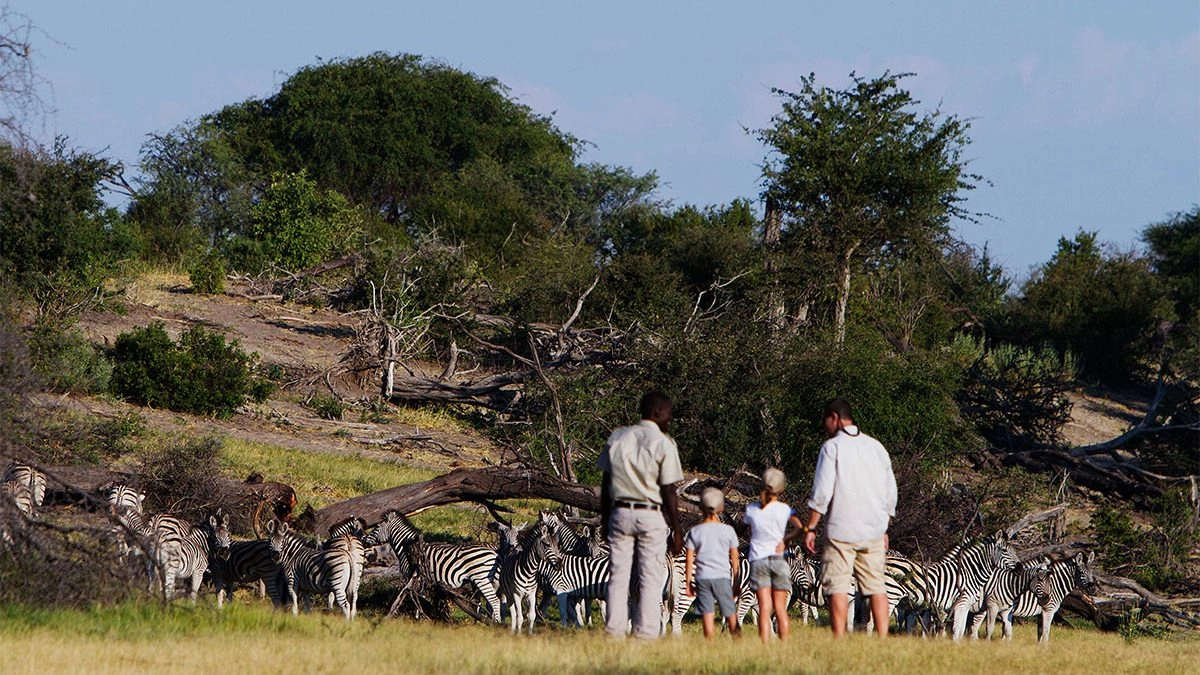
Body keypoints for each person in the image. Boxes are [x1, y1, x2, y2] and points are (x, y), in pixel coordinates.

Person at [802, 398, 897, 637]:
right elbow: (890, 493)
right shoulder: (876, 447)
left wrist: (811, 527)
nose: (824, 426)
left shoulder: (832, 447)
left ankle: (839, 638)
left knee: (838, 586)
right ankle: (883, 637)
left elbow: (822, 493)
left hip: (841, 530)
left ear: (834, 417)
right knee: (876, 586)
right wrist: (884, 528)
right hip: (873, 530)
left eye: (825, 420)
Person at [598, 390, 685, 640]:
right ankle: (646, 635)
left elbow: (606, 483)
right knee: (650, 576)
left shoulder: (618, 437)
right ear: (657, 412)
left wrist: (605, 519)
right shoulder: (664, 443)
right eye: (668, 414)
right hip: (650, 514)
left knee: (618, 575)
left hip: (620, 512)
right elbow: (668, 490)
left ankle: (614, 633)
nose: (670, 419)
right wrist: (676, 528)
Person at [743, 467, 804, 643]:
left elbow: (747, 529)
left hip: (758, 560)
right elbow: (800, 527)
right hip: (778, 559)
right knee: (780, 607)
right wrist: (786, 539)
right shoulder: (784, 509)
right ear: (781, 488)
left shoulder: (752, 509)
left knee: (764, 606)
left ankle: (764, 645)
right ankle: (784, 645)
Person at [684, 487, 740, 640]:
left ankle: (710, 644)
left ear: (701, 506)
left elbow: (689, 559)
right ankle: (738, 642)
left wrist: (688, 582)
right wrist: (736, 582)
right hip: (722, 577)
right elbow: (735, 559)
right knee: (730, 613)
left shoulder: (695, 531)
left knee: (707, 616)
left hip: (702, 578)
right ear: (721, 507)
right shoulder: (728, 531)